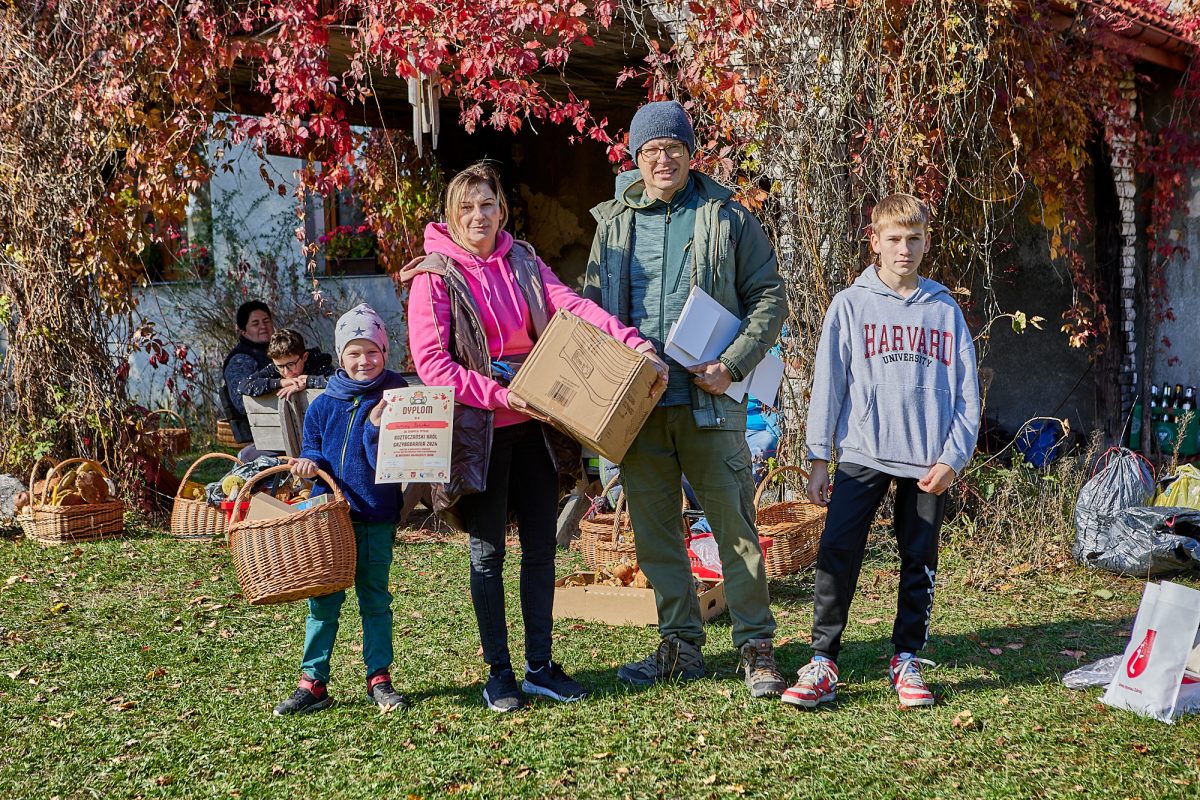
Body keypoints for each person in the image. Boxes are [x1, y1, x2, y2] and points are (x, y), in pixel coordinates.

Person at [405, 163, 667, 712]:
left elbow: (569, 306)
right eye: (467, 207)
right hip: (480, 434)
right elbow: (432, 365)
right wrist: (501, 396)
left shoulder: (522, 259)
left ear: (501, 208)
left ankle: (541, 666)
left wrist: (630, 342)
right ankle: (498, 672)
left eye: (487, 204)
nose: (479, 215)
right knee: (486, 554)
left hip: (538, 428)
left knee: (542, 550)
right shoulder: (435, 276)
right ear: (451, 217)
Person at [582, 100, 789, 698]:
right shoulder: (613, 223)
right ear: (635, 158)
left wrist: (733, 365)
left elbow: (768, 298)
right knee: (655, 535)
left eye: (673, 147)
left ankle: (755, 646)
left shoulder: (727, 218)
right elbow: (591, 312)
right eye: (650, 150)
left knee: (736, 530)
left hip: (709, 403)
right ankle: (679, 645)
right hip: (639, 409)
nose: (663, 159)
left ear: (689, 152)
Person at [783, 193, 980, 709]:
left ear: (927, 243)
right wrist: (818, 456)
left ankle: (907, 658)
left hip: (926, 462)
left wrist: (953, 459)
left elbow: (967, 396)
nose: (904, 249)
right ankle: (824, 660)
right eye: (893, 238)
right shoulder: (851, 305)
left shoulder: (945, 309)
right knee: (837, 550)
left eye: (914, 239)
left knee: (918, 557)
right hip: (862, 451)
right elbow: (829, 384)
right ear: (874, 241)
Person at [272, 303, 410, 716]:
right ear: (340, 355)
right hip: (331, 522)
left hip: (375, 515)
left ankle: (379, 677)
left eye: (372, 351)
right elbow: (315, 451)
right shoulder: (323, 404)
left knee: (374, 598)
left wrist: (374, 426)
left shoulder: (398, 396)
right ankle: (313, 682)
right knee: (323, 601)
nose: (363, 360)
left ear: (385, 352)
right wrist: (307, 463)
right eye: (354, 352)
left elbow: (393, 460)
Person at [241, 329, 336, 456]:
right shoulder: (275, 371)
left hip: (321, 443)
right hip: (282, 442)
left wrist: (309, 381)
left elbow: (339, 382)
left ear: (305, 357)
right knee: (245, 455)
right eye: (280, 366)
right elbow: (243, 385)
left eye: (291, 364)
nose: (286, 372)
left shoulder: (319, 366)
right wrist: (280, 383)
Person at [220, 300, 274, 452]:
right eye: (255, 323)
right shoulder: (240, 360)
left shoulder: (279, 351)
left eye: (266, 321)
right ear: (243, 331)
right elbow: (242, 402)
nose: (263, 327)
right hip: (261, 429)